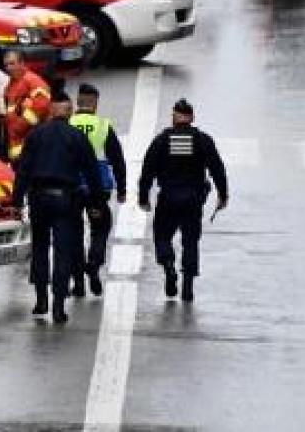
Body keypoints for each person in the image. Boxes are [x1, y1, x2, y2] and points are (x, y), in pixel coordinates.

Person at [13, 91, 106, 324]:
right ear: (70, 111)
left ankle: (41, 299)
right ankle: (58, 306)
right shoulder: (76, 137)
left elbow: (23, 170)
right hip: (66, 200)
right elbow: (92, 173)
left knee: (40, 248)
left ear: (51, 111)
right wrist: (96, 203)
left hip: (39, 198)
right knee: (63, 251)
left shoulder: (35, 135)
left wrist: (16, 202)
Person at [138, 99, 229, 303]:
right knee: (190, 242)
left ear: (174, 117)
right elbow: (217, 168)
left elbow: (148, 169)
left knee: (162, 236)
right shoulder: (203, 140)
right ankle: (187, 286)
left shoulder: (162, 140)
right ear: (192, 118)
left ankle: (169, 265)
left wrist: (143, 196)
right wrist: (223, 194)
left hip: (168, 197)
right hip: (193, 200)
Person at [68, 83, 127, 297]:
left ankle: (78, 283)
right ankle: (93, 264)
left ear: (78, 101)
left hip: (72, 187)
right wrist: (122, 188)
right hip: (98, 189)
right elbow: (117, 159)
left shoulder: (68, 123)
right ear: (94, 102)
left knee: (74, 233)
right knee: (100, 229)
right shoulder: (103, 125)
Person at [0, 50, 52, 164]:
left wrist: (19, 126)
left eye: (12, 63)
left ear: (22, 63)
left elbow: (42, 105)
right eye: (6, 65)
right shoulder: (10, 85)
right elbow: (9, 112)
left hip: (31, 145)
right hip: (17, 147)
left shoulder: (32, 80)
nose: (8, 68)